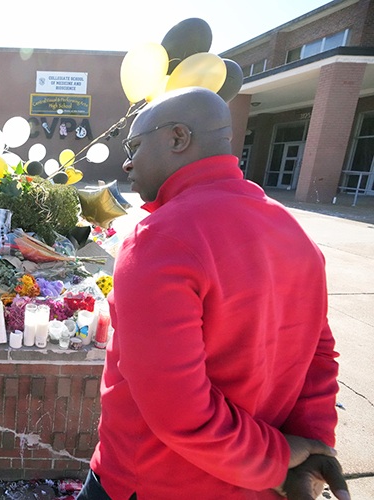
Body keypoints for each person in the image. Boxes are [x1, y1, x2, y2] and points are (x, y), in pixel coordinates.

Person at [79, 88, 349, 500]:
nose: (128, 162)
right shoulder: (293, 233)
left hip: (152, 481)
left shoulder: (161, 238)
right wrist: (309, 449)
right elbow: (319, 357)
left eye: (134, 145)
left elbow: (179, 412)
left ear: (177, 138)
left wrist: (277, 461)